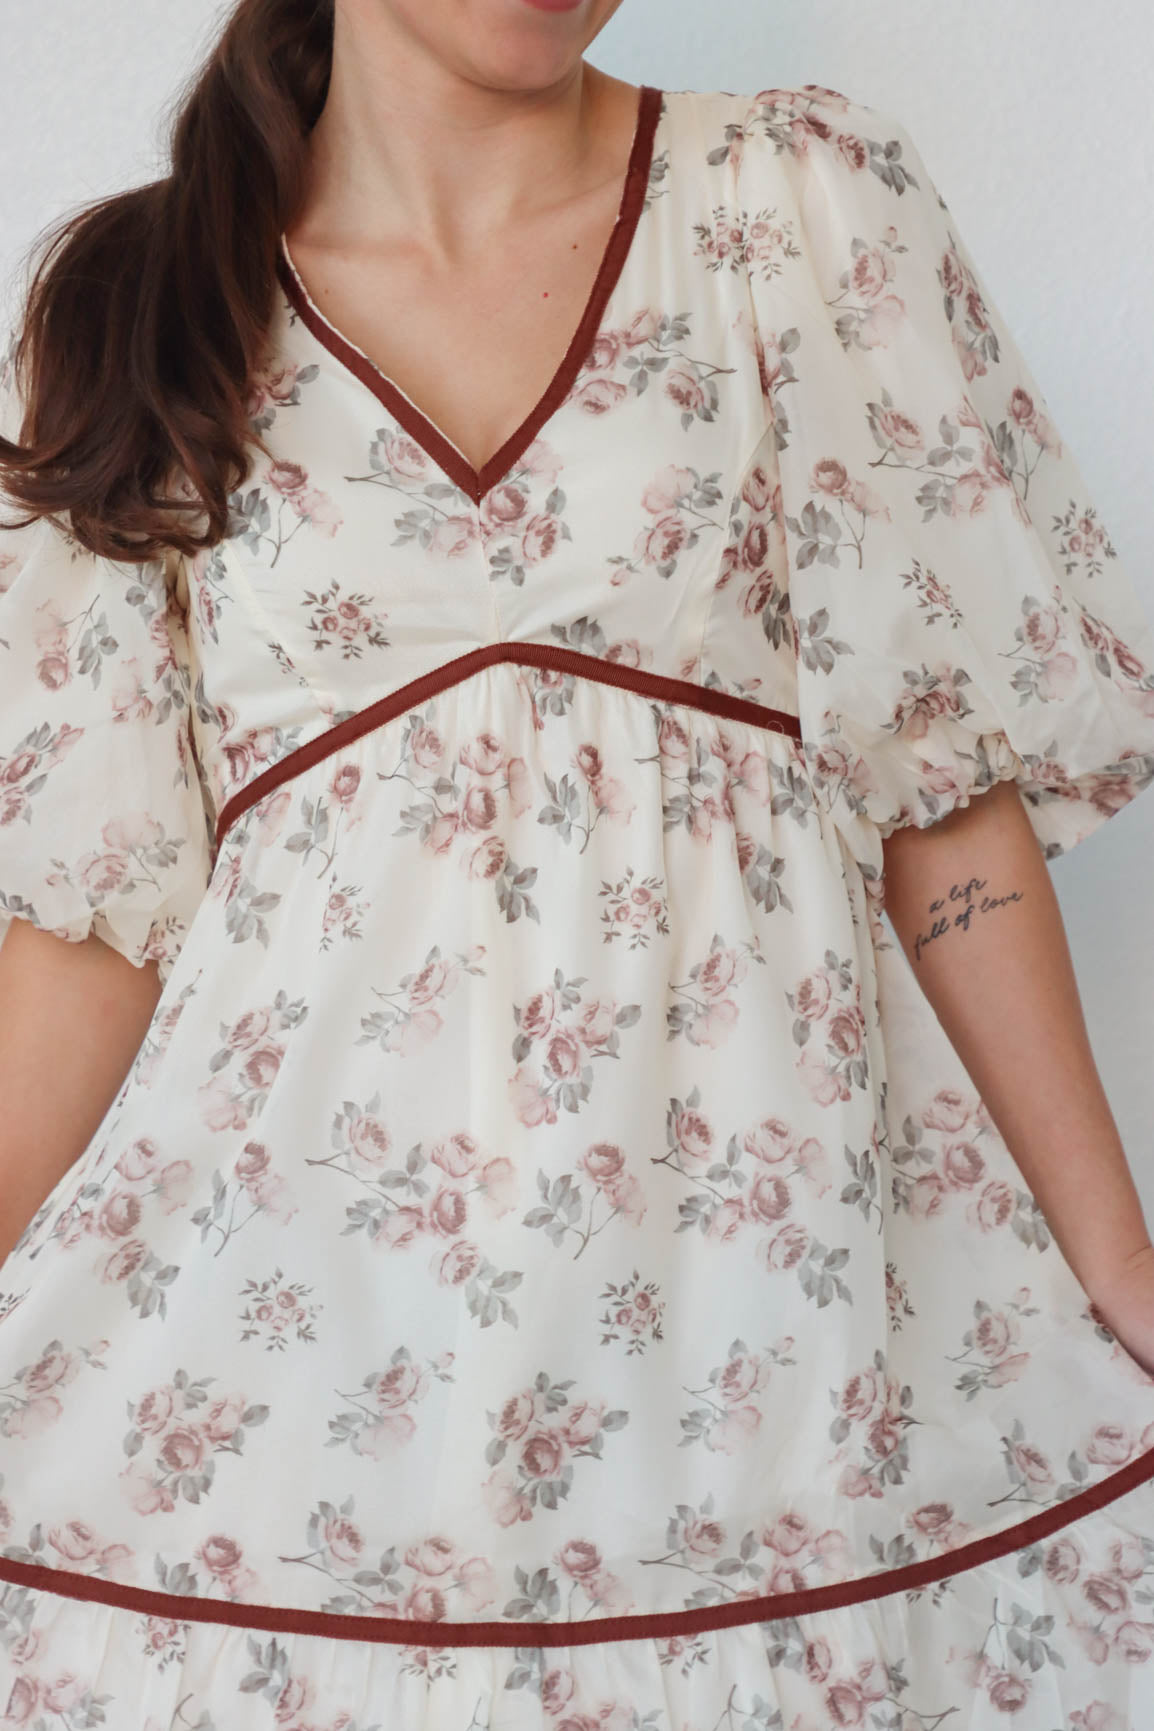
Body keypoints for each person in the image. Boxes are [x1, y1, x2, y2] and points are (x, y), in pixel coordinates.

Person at [2, 0, 1154, 1722]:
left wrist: (1115, 1265)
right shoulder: (138, 301)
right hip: (309, 1358)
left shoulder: (798, 199)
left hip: (773, 1331)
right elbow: (96, 926)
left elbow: (942, 807)